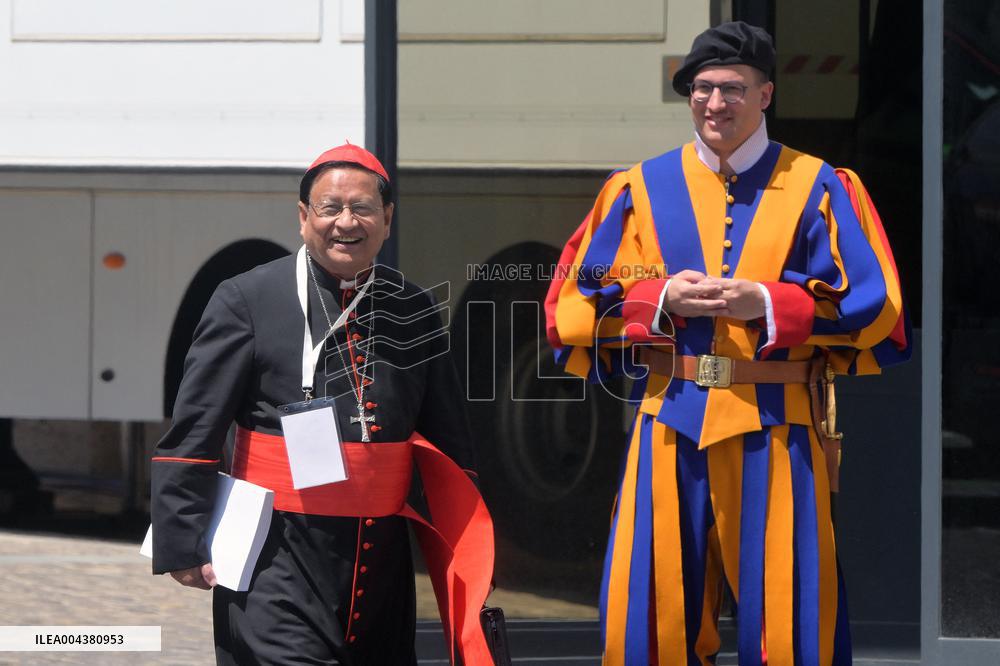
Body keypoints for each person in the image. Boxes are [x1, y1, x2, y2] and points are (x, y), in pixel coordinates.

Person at [545, 21, 909, 666]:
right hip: (668, 418)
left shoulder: (819, 185)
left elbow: (876, 305)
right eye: (704, 88)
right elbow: (573, 302)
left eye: (734, 89)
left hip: (779, 425)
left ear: (765, 94)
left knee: (791, 615)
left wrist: (769, 301)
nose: (716, 103)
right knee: (650, 614)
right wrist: (658, 298)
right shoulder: (637, 188)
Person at [150, 143, 494, 665]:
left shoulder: (414, 307)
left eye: (363, 208)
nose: (346, 222)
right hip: (277, 554)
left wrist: (466, 546)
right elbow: (196, 426)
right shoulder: (247, 299)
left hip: (380, 561)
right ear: (304, 217)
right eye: (330, 208)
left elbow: (449, 440)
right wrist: (182, 537)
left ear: (388, 219)